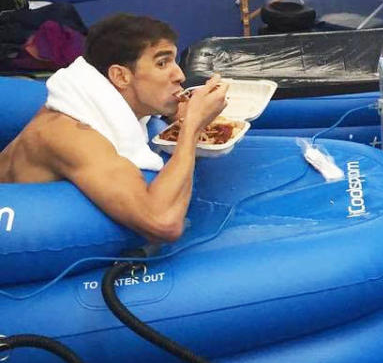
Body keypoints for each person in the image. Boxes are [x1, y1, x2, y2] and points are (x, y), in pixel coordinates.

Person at [0, 14, 228, 242]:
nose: (179, 75)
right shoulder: (72, 136)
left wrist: (180, 111)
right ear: (120, 76)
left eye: (174, 61)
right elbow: (163, 222)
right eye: (162, 63)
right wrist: (192, 129)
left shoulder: (99, 101)